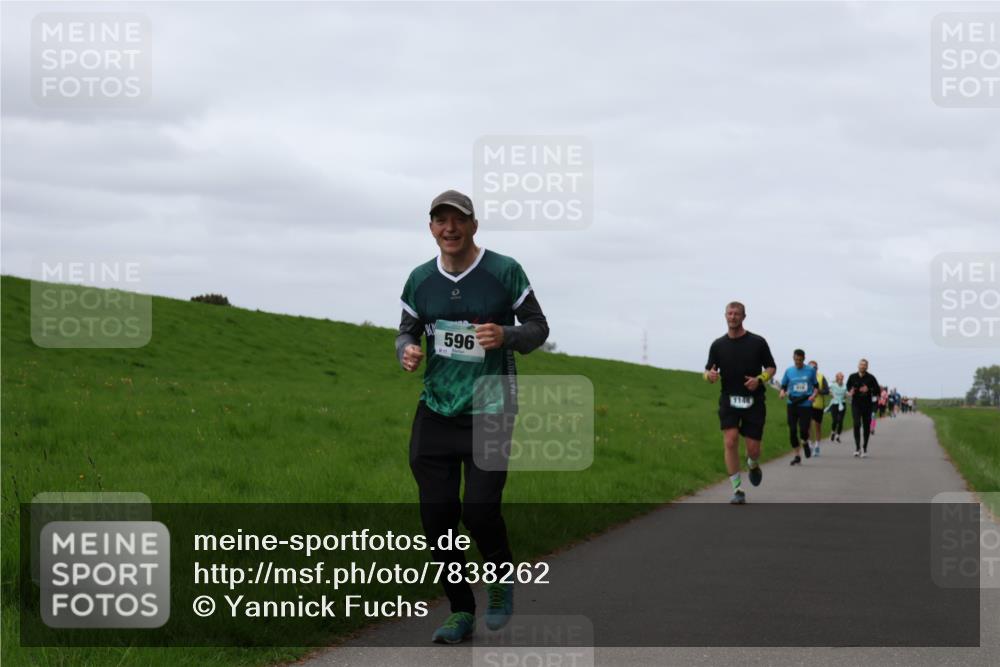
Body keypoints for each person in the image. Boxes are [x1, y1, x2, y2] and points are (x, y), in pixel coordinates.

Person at [396, 190, 549, 643]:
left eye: (457, 220)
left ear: (473, 225)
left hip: (492, 406)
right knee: (436, 517)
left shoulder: (504, 271)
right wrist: (406, 350)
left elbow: (539, 327)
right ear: (431, 229)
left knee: (480, 510)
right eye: (440, 221)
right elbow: (406, 329)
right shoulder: (420, 279)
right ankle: (461, 610)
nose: (449, 228)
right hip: (437, 411)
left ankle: (501, 578)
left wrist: (506, 334)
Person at [704, 301, 777, 505]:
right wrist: (709, 375)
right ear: (725, 316)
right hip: (729, 399)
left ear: (744, 317)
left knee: (753, 449)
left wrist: (760, 380)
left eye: (737, 314)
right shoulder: (718, 345)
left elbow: (771, 367)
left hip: (754, 402)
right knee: (730, 440)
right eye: (729, 313)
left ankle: (752, 464)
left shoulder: (757, 342)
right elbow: (708, 371)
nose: (733, 317)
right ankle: (737, 489)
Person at [780, 349, 819, 466]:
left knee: (803, 429)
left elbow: (816, 387)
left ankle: (805, 442)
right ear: (793, 358)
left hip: (805, 404)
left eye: (800, 360)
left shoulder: (810, 371)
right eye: (796, 359)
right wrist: (782, 392)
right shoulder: (789, 371)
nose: (798, 362)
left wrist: (813, 395)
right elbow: (783, 386)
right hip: (792, 403)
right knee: (792, 431)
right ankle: (797, 455)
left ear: (804, 359)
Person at [846, 358, 880, 458]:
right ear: (858, 366)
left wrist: (868, 389)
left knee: (866, 427)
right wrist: (850, 390)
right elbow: (848, 386)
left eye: (864, 365)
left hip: (867, 405)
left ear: (867, 367)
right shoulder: (852, 376)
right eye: (861, 364)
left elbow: (877, 390)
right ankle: (857, 448)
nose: (862, 366)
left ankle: (864, 447)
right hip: (856, 404)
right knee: (856, 424)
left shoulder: (871, 378)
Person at [807, 360, 829, 456]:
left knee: (817, 426)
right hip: (807, 404)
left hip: (818, 405)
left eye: (814, 368)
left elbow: (827, 391)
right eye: (810, 367)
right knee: (808, 425)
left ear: (817, 368)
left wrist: (818, 391)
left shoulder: (821, 377)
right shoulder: (805, 377)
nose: (812, 369)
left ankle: (817, 445)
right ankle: (810, 444)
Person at [825, 372, 848, 442]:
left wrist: (846, 396)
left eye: (842, 377)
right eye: (840, 377)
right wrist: (831, 393)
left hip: (842, 404)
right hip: (834, 404)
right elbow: (828, 390)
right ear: (837, 378)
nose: (841, 378)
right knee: (835, 420)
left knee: (840, 420)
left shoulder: (845, 386)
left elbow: (847, 394)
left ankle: (838, 436)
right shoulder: (833, 385)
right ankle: (832, 432)